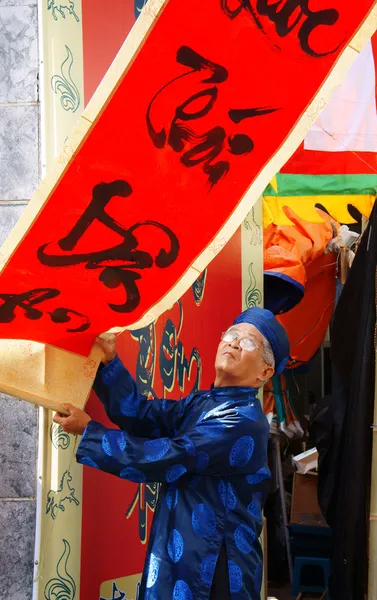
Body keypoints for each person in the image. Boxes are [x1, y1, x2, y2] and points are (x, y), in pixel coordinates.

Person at [54, 307, 290, 600]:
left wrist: (90, 432)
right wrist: (109, 361)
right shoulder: (203, 403)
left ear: (265, 373)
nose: (233, 343)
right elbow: (140, 416)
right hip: (182, 552)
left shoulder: (242, 421)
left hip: (215, 564)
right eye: (231, 335)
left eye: (248, 342)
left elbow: (169, 456)